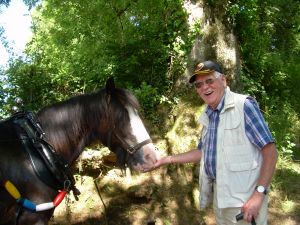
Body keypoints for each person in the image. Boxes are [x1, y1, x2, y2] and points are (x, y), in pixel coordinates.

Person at [145, 61, 278, 225]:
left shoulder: (243, 105)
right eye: (199, 85)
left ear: (223, 80)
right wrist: (165, 160)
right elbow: (203, 152)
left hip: (245, 203)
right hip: (220, 200)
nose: (204, 88)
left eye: (209, 81)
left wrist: (259, 195)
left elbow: (270, 151)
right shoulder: (209, 115)